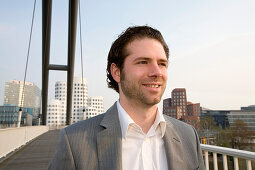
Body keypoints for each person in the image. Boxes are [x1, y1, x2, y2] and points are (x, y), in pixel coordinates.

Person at [48, 25, 205, 170]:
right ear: (117, 72)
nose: (157, 72)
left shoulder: (188, 136)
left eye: (162, 64)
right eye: (143, 62)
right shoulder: (74, 142)